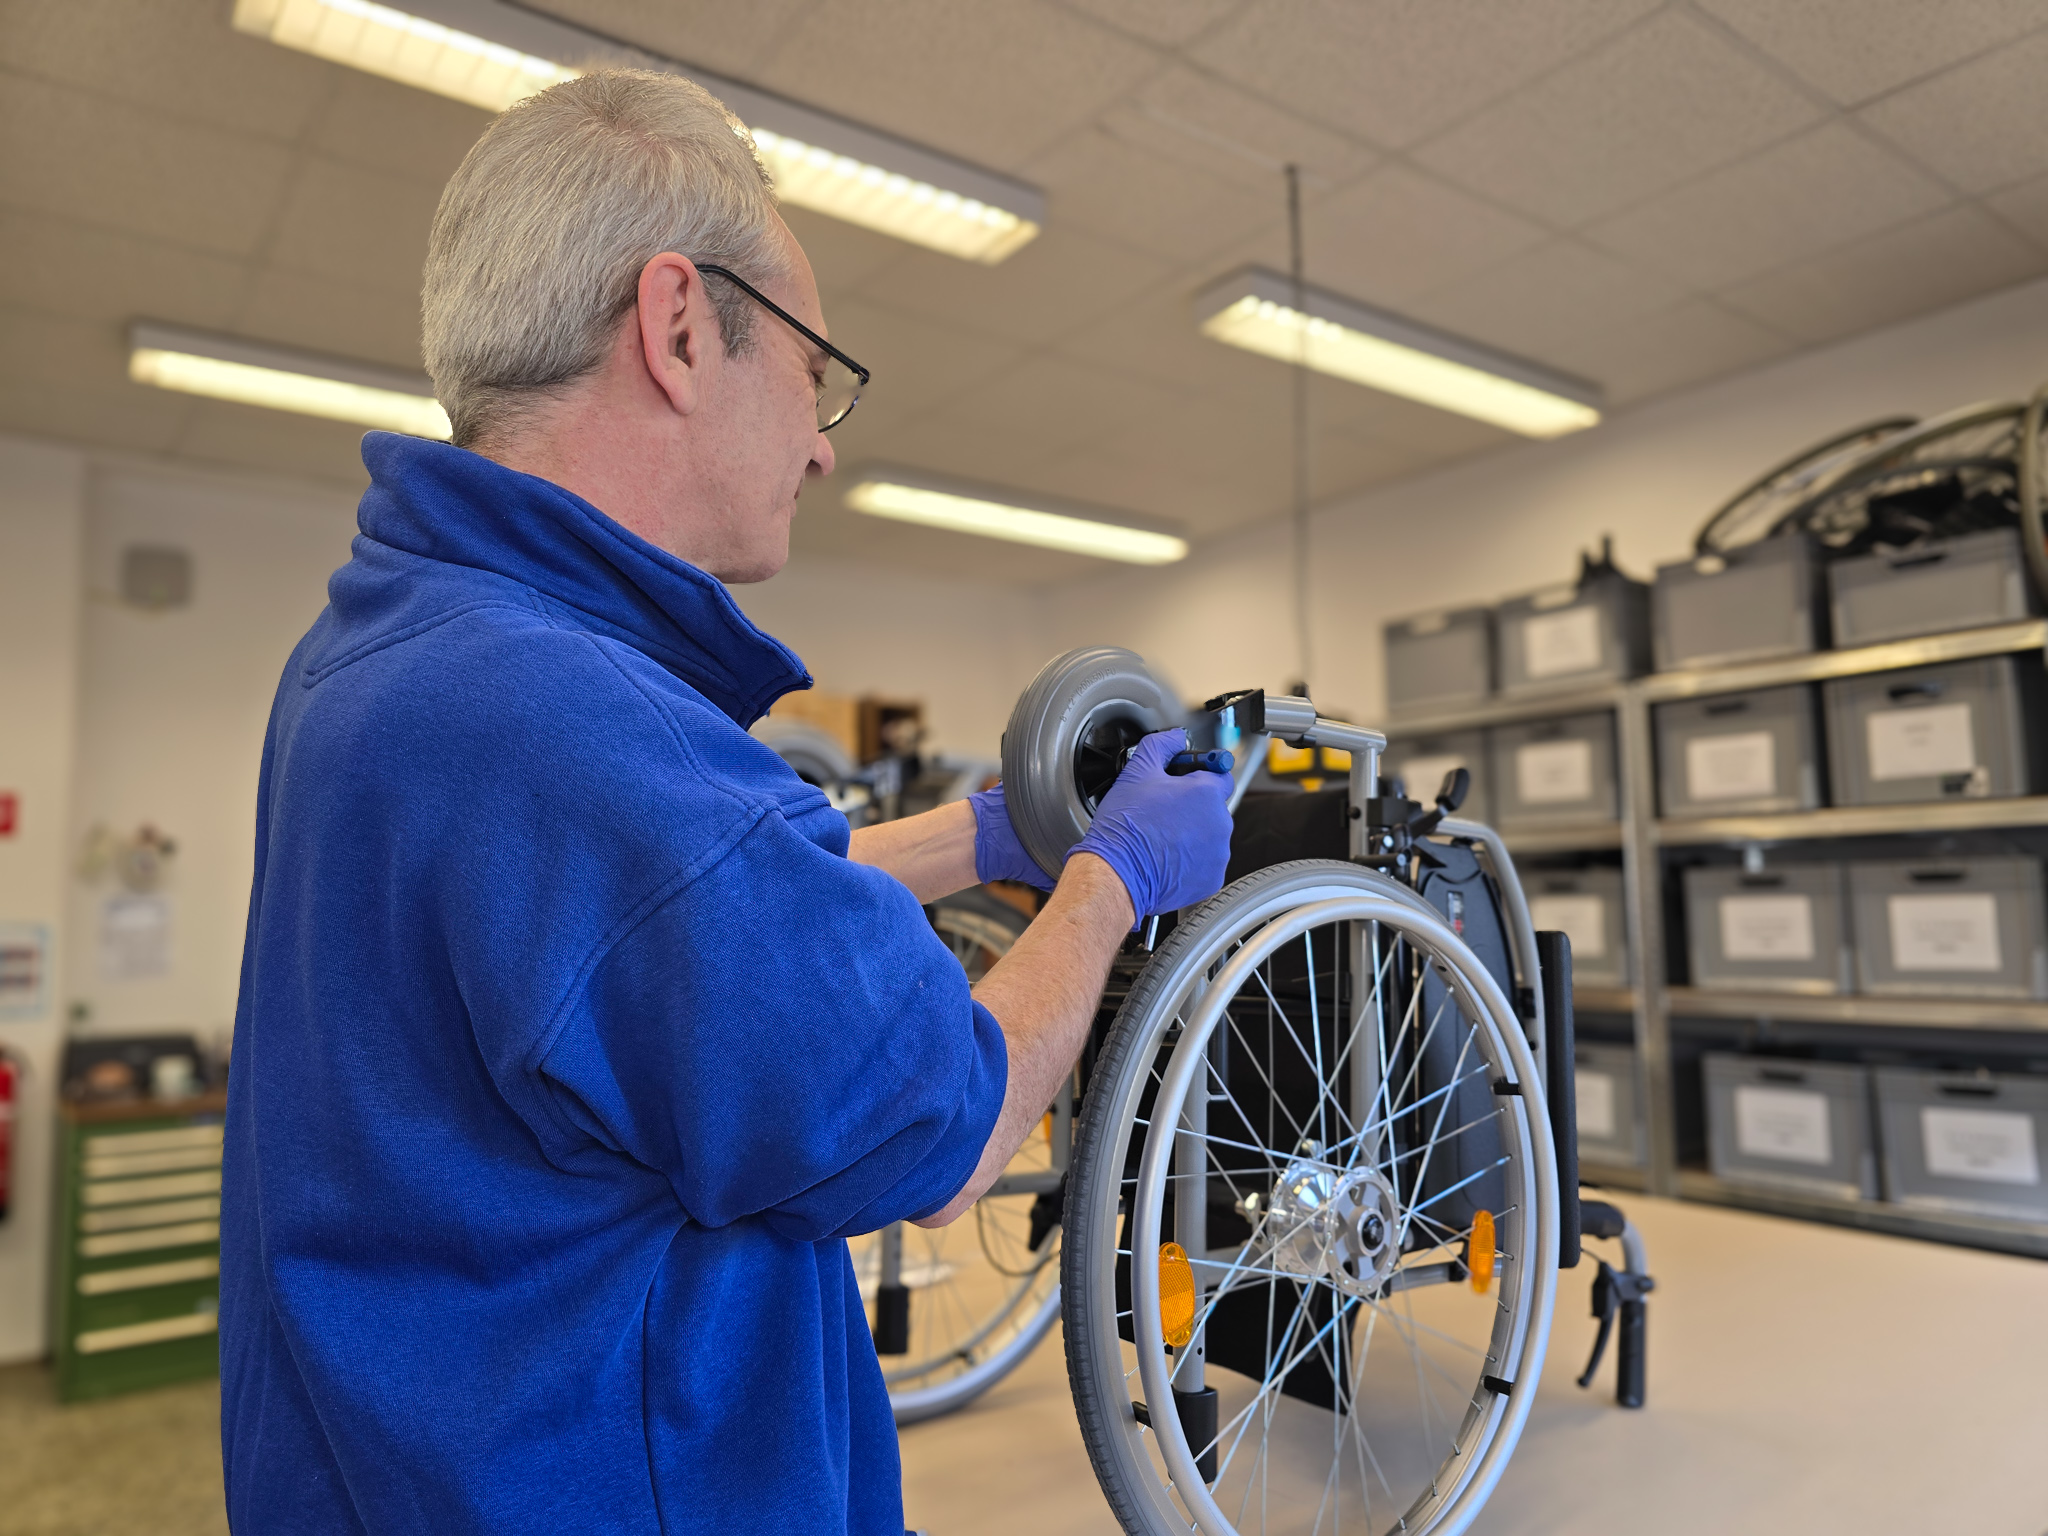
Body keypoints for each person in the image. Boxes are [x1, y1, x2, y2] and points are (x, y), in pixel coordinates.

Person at [217, 68, 1234, 1535]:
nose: (823, 441)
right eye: (814, 373)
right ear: (680, 327)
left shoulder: (391, 649)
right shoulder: (582, 731)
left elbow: (655, 956)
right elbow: (944, 1124)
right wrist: (1117, 877)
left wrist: (978, 837)